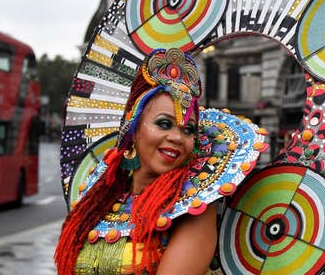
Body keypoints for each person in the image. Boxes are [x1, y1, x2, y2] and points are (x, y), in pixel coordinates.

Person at [54, 48, 217, 275]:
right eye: (164, 123)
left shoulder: (193, 206)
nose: (177, 138)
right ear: (133, 128)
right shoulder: (99, 197)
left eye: (188, 130)